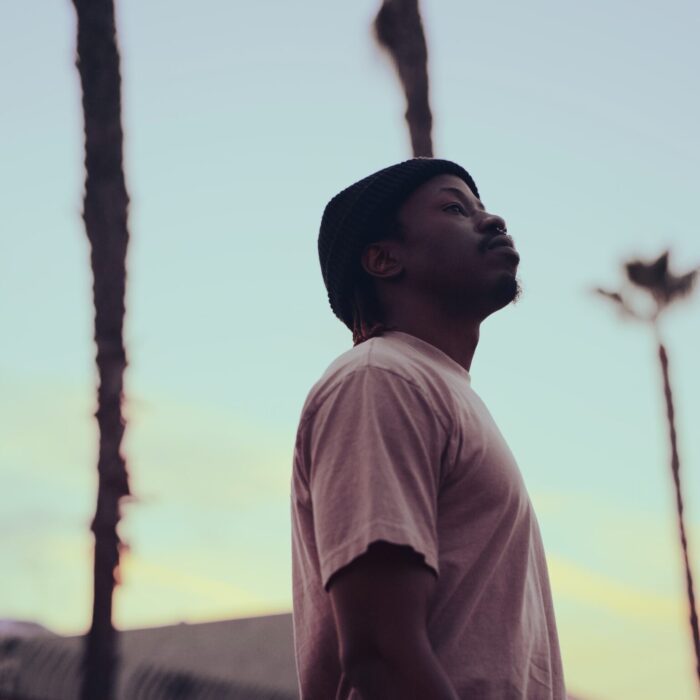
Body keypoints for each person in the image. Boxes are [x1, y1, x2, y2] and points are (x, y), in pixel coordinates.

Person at [290, 157, 567, 699]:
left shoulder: (435, 389)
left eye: (483, 208)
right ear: (384, 259)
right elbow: (380, 656)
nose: (493, 221)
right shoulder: (381, 379)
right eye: (455, 208)